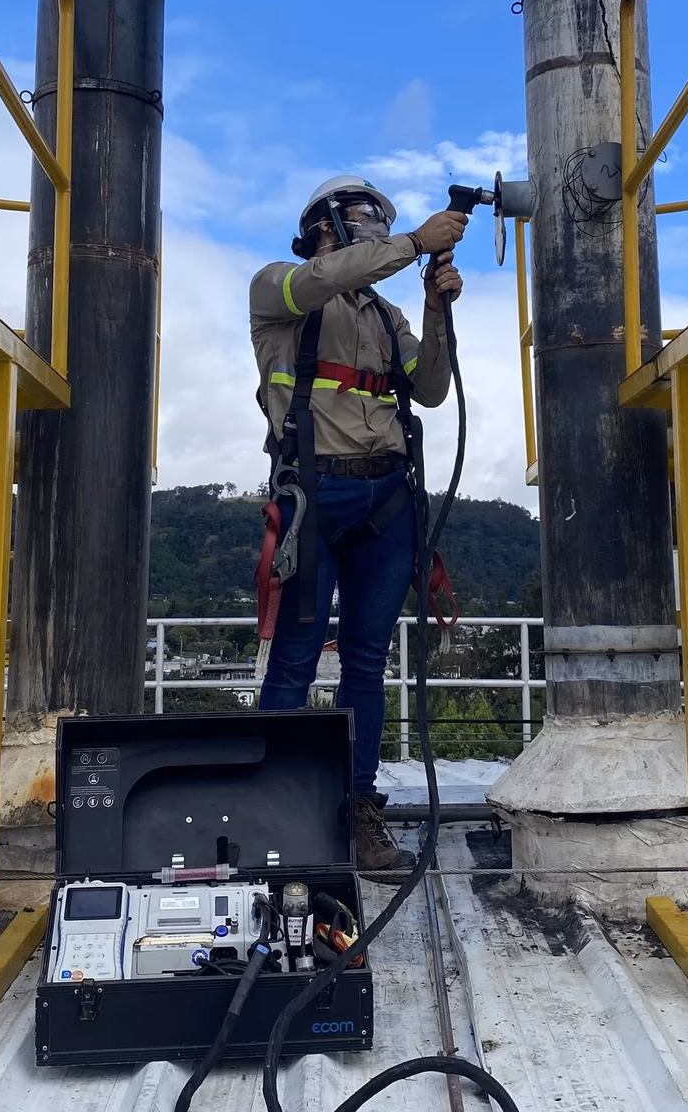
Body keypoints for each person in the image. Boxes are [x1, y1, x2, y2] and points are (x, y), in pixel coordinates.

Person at [249, 176, 466, 878]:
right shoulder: (278, 288)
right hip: (315, 497)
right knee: (294, 659)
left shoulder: (386, 315)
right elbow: (325, 280)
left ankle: (358, 807)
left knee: (367, 662)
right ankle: (276, 813)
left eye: (383, 220)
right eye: (368, 216)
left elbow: (431, 388)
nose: (378, 226)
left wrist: (434, 307)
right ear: (327, 224)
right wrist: (414, 243)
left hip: (387, 502)